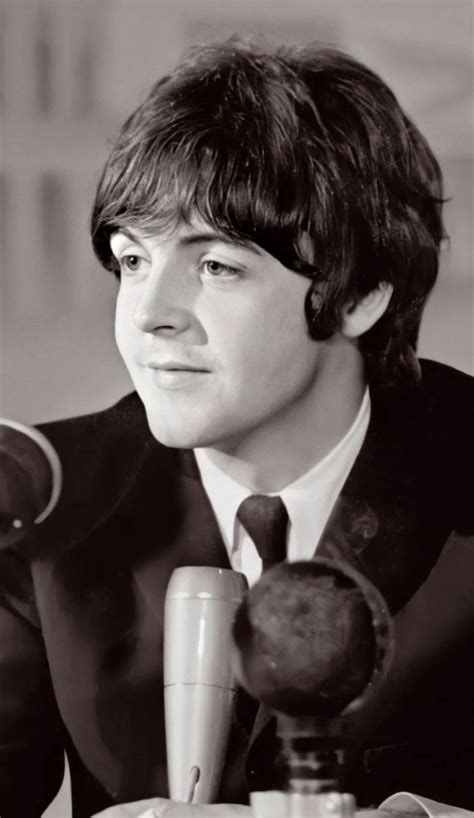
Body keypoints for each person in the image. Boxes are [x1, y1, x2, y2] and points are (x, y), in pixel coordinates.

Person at [0, 37, 472, 818]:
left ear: (359, 296)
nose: (149, 317)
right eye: (132, 261)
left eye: (215, 267)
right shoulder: (43, 500)